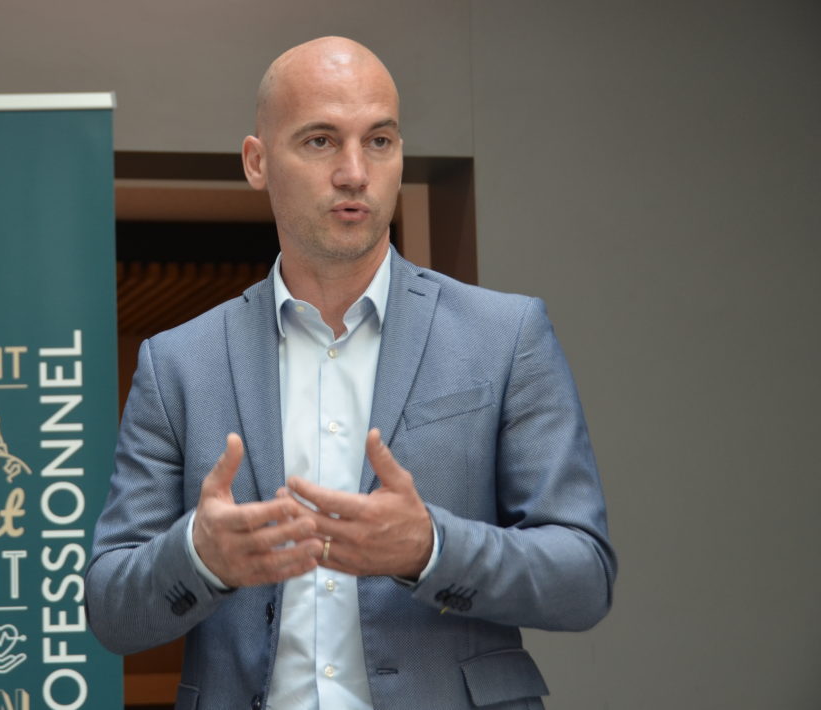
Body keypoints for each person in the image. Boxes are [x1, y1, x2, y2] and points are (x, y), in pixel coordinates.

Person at [86, 36, 616, 710]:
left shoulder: (504, 337)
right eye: (319, 141)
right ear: (257, 162)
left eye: (380, 141)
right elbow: (110, 607)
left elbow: (583, 576)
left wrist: (430, 547)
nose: (354, 172)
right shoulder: (178, 363)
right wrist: (199, 556)